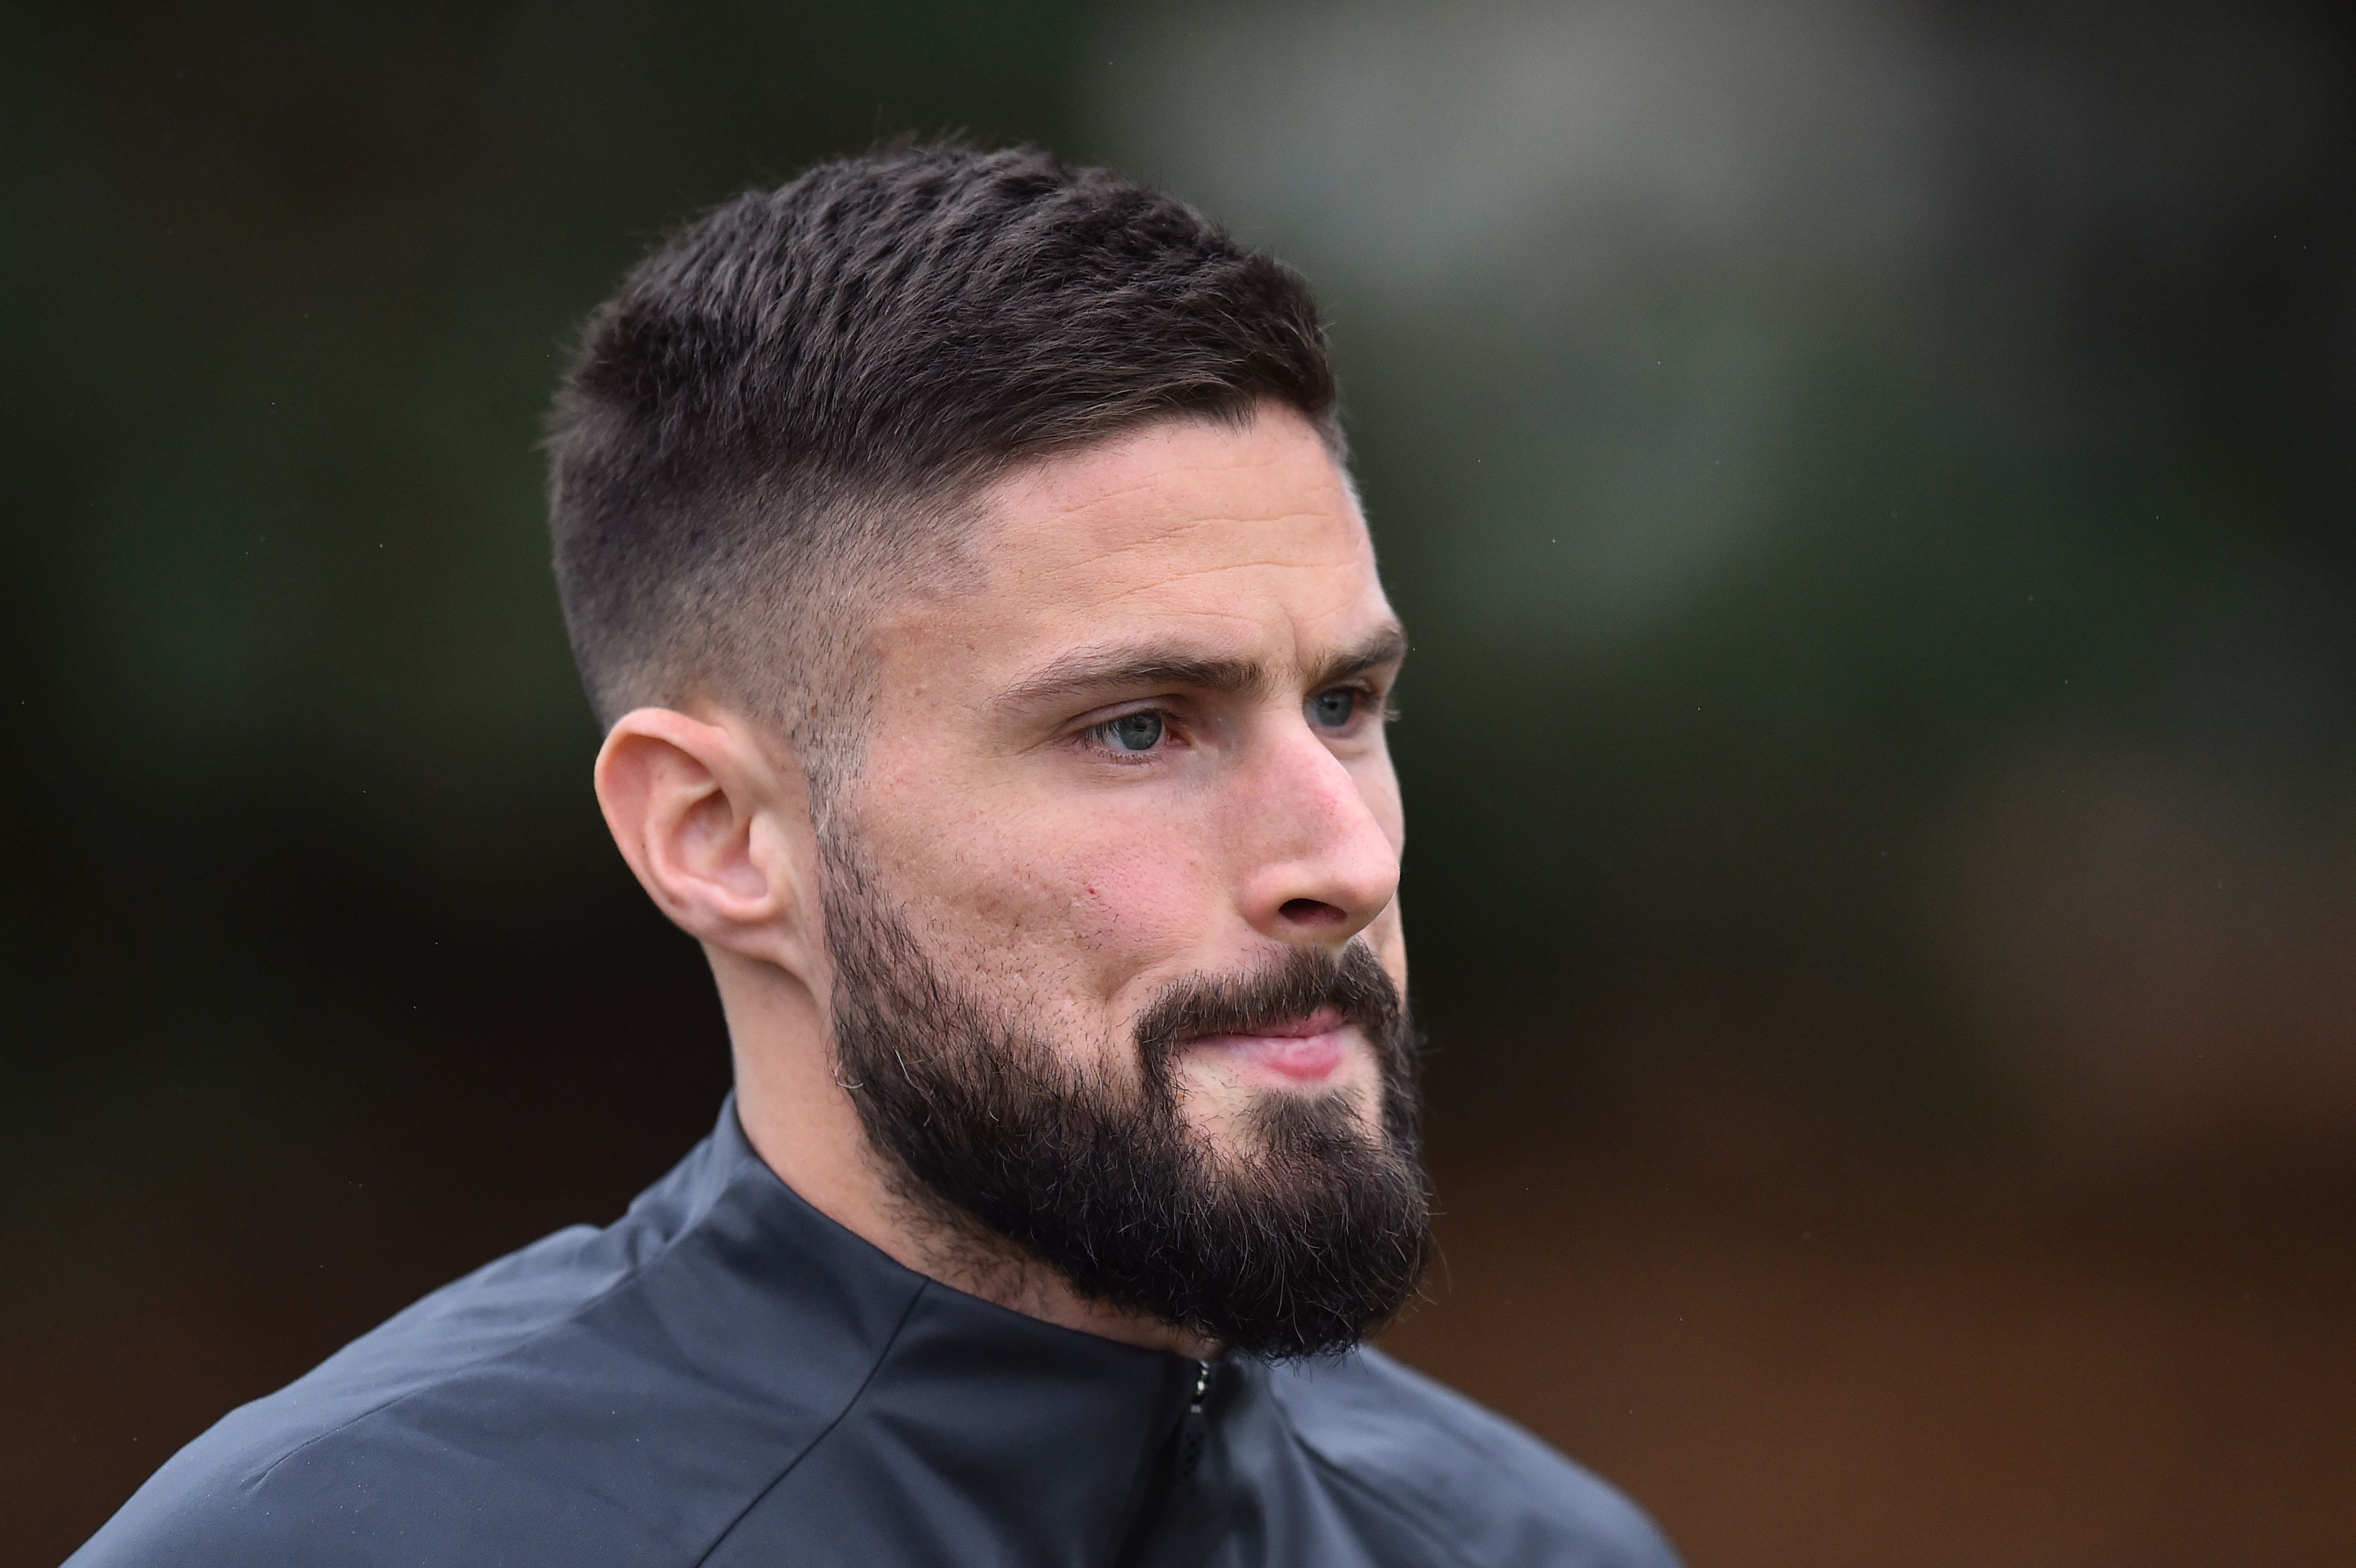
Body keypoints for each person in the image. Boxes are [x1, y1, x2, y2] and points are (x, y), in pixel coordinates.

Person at [70, 142, 1679, 1567]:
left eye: (1342, 704)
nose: (1345, 858)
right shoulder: (337, 1545)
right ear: (716, 837)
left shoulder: (1535, 1549)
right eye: (1138, 728)